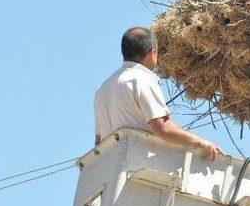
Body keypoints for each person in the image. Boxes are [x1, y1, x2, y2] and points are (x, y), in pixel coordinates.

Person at [94, 27, 219, 161]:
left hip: (110, 168)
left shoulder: (103, 89)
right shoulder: (141, 79)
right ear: (152, 52)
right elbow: (163, 128)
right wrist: (201, 143)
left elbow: (99, 142)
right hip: (138, 166)